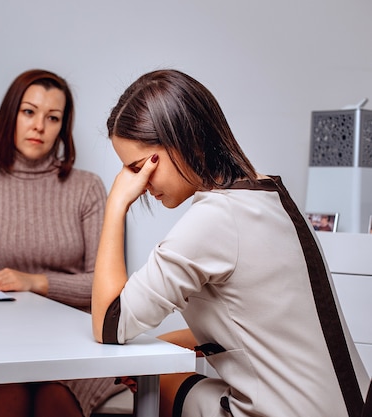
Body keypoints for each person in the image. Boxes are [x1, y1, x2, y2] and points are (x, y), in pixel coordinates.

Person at [91, 69, 369, 417]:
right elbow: (253, 328)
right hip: (352, 405)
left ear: (182, 140)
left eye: (137, 167)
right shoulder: (269, 195)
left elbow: (108, 324)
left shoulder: (214, 220)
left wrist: (115, 205)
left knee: (158, 380)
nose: (138, 183)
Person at [0, 69, 125, 417]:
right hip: (8, 337)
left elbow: (105, 285)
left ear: (63, 127)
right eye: (29, 112)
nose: (39, 126)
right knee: (5, 393)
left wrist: (35, 282)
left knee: (51, 399)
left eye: (53, 117)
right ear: (10, 116)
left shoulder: (87, 187)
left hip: (77, 336)